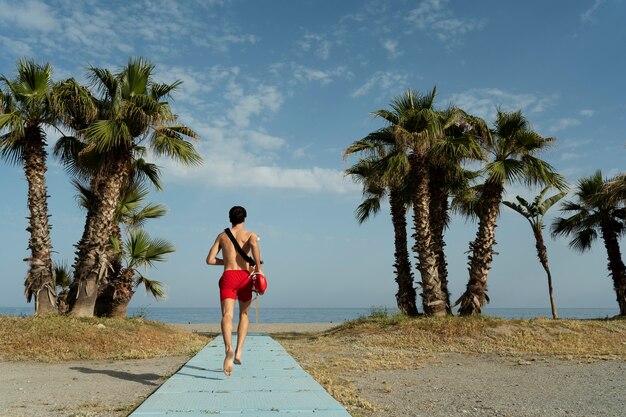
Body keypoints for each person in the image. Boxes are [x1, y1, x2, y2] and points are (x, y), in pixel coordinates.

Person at [206, 206, 263, 376]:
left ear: (230, 218)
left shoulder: (222, 236)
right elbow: (254, 247)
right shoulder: (251, 235)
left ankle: (228, 348)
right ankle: (238, 352)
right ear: (244, 218)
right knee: (243, 315)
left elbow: (209, 260)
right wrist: (258, 269)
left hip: (228, 277)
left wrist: (225, 262)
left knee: (227, 315)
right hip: (245, 278)